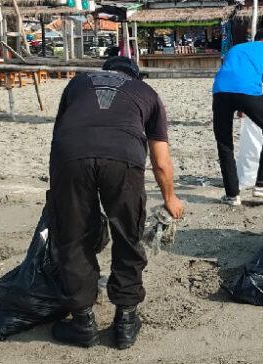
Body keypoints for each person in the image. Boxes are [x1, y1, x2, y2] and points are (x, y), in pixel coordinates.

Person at [48, 57, 184, 349]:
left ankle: (83, 321)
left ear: (105, 70)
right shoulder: (147, 93)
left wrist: (57, 194)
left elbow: (60, 136)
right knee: (128, 233)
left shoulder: (78, 82)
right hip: (123, 157)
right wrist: (170, 198)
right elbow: (161, 161)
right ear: (136, 75)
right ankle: (125, 321)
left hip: (70, 155)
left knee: (72, 236)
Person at [212, 29, 263, 205]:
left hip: (220, 92)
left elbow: (234, 73)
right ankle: (262, 184)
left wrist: (241, 107)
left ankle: (232, 195)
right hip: (248, 91)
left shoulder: (236, 48)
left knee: (224, 144)